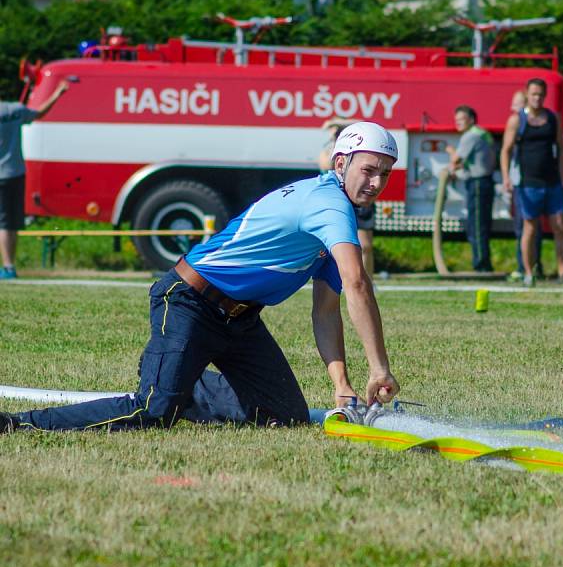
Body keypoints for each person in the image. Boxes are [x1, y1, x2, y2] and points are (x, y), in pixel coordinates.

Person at [1, 122, 400, 432]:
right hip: (189, 302)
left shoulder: (335, 213)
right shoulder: (328, 204)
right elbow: (358, 284)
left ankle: (177, 380)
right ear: (340, 163)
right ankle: (20, 423)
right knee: (153, 410)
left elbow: (326, 313)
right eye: (368, 170)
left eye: (384, 174)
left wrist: (343, 387)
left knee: (284, 414)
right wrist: (379, 369)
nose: (376, 183)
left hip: (239, 320)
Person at [500, 78, 563, 286]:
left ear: (545, 95)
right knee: (530, 228)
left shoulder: (553, 118)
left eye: (541, 94)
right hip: (527, 183)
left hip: (552, 181)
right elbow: (505, 150)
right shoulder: (517, 120)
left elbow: (561, 149)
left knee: (559, 226)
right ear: (527, 94)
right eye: (533, 94)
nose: (537, 98)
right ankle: (529, 273)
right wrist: (506, 177)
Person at [0, 80, 70, 279]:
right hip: (16, 172)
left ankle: (7, 267)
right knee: (11, 223)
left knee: (3, 224)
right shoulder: (16, 109)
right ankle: (9, 266)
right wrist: (58, 93)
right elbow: (40, 113)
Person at [319, 117, 376, 277]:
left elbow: (365, 124)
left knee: (365, 246)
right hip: (338, 202)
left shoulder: (360, 151)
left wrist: (339, 124)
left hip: (361, 201)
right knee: (336, 246)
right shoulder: (328, 152)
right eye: (336, 132)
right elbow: (326, 166)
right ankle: (338, 280)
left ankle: (368, 282)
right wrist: (335, 144)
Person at [445, 105, 496, 272]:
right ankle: (483, 263)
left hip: (478, 184)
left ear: (471, 120)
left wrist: (451, 151)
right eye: (456, 120)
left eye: (462, 119)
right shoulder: (482, 133)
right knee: (482, 225)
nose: (458, 123)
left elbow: (457, 159)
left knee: (476, 226)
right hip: (485, 182)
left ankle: (481, 265)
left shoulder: (471, 135)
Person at [507, 90, 542, 281]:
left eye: (517, 104)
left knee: (527, 228)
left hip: (527, 183)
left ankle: (527, 267)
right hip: (519, 183)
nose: (514, 109)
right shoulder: (517, 125)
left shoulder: (527, 125)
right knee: (523, 228)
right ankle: (526, 266)